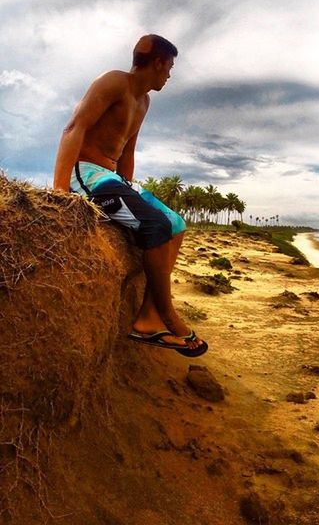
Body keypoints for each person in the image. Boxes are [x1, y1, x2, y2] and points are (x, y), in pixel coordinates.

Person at [53, 34, 207, 357]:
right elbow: (74, 128)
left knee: (175, 224)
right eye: (169, 68)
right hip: (88, 174)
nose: (169, 75)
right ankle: (169, 315)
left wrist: (128, 187)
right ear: (158, 63)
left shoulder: (143, 102)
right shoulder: (113, 83)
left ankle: (148, 318)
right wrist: (59, 195)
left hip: (113, 178)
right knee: (155, 226)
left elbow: (127, 151)